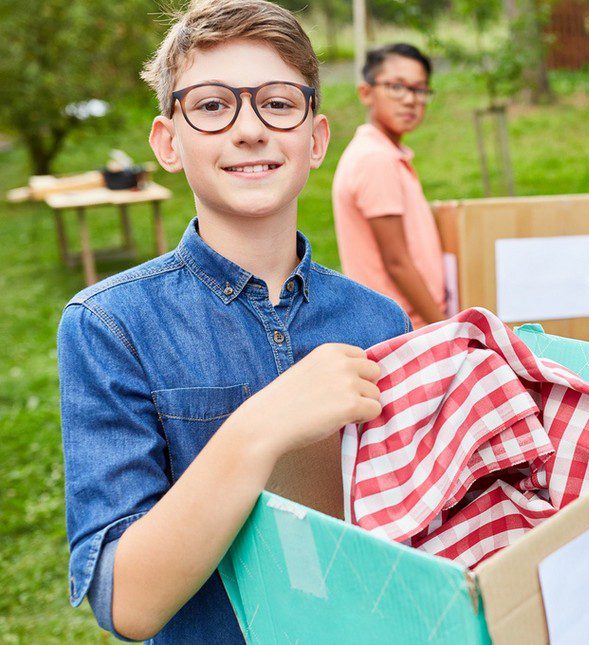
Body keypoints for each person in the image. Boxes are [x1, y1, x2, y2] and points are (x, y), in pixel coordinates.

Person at [57, 1, 409, 641]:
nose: (250, 130)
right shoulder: (110, 325)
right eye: (213, 106)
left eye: (277, 103)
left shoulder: (378, 319)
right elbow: (129, 604)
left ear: (316, 137)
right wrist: (260, 428)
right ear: (168, 142)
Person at [332, 43, 446, 328]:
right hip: (402, 329)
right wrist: (446, 329)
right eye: (397, 87)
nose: (410, 100)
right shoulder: (375, 159)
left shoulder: (385, 154)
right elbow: (396, 262)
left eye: (420, 89)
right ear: (366, 93)